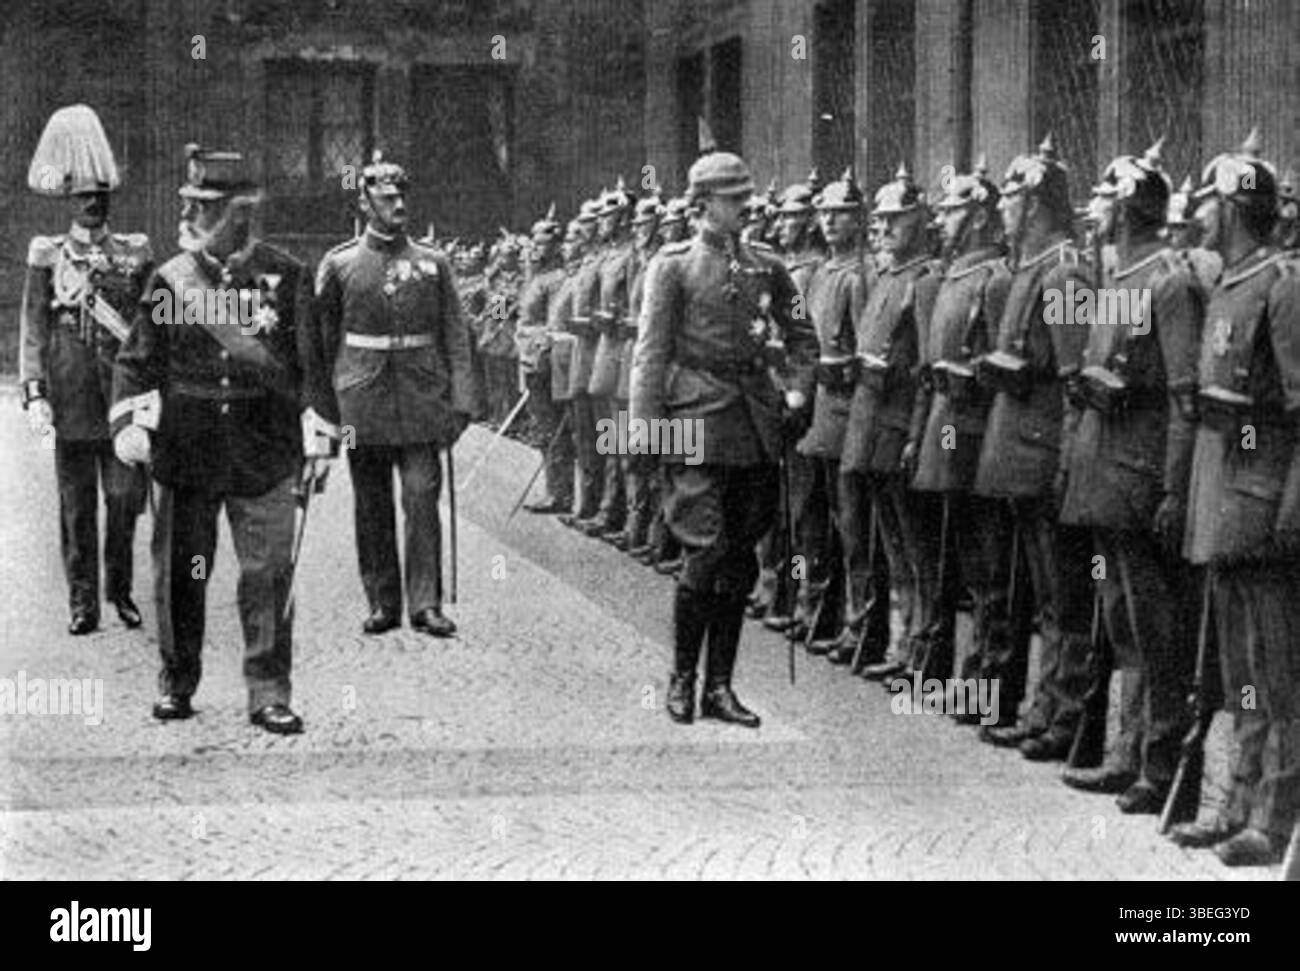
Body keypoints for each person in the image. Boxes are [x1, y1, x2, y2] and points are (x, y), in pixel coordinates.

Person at [112, 144, 316, 733]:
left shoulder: (287, 276)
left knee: (268, 573)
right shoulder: (170, 281)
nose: (188, 215)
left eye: (201, 206)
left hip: (264, 449)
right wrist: (130, 422)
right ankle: (177, 681)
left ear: (238, 213)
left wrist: (320, 431)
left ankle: (269, 691)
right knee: (186, 571)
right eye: (189, 203)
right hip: (188, 450)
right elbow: (138, 361)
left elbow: (309, 366)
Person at [633, 151, 817, 728]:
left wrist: (797, 393)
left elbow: (803, 336)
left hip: (754, 425)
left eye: (746, 197)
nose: (746, 207)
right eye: (734, 199)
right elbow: (650, 353)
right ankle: (682, 678)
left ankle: (720, 686)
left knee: (739, 557)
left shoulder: (769, 267)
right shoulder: (673, 266)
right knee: (704, 552)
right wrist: (645, 430)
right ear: (704, 204)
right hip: (694, 420)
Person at [1167, 131, 1300, 866]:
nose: (1198, 215)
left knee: (1279, 677)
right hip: (1225, 500)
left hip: (1265, 503)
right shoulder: (1228, 282)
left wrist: (1291, 509)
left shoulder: (1283, 286)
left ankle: (1274, 821)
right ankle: (1237, 802)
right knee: (1242, 674)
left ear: (1235, 208)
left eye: (1209, 202)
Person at [1056, 140, 1200, 811]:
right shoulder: (1118, 280)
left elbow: (1183, 396)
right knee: (1119, 620)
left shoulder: (1168, 282)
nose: (1096, 212)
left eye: (1105, 201)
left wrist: (1173, 487)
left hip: (1140, 476)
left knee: (1155, 626)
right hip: (1103, 473)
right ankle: (1127, 749)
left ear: (1127, 210)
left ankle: (1161, 762)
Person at [307, 152, 476, 638]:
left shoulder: (433, 263)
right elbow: (322, 343)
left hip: (423, 398)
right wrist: (324, 411)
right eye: (386, 198)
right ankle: (383, 601)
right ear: (365, 204)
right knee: (371, 503)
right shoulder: (340, 264)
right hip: (362, 400)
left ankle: (426, 603)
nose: (398, 205)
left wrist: (461, 400)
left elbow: (455, 334)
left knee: (422, 498)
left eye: (402, 196)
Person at [974, 135, 1095, 759]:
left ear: (1037, 204)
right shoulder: (1029, 267)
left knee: (1066, 597)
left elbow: (1076, 381)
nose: (1002, 206)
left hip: (1047, 452)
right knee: (1045, 595)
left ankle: (1066, 716)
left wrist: (1068, 464)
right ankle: (1044, 707)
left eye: (1012, 197)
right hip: (1019, 449)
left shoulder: (1066, 271)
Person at [20, 104, 152, 635]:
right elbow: (33, 327)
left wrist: (152, 394)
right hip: (71, 397)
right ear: (69, 201)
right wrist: (35, 391)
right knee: (76, 508)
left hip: (120, 400)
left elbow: (148, 329)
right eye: (83, 197)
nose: (93, 204)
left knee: (123, 500)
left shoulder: (133, 254)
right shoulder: (48, 256)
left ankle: (119, 591)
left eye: (100, 197)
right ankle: (83, 603)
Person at [910, 158, 1018, 705]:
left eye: (952, 211)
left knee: (991, 569)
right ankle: (957, 670)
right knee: (960, 560)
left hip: (977, 434)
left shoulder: (996, 279)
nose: (942, 219)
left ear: (977, 217)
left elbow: (1006, 362)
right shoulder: (948, 277)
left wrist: (972, 374)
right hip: (945, 430)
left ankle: (988, 682)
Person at [841, 164, 940, 683]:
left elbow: (927, 369)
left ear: (919, 220)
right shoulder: (884, 277)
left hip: (900, 422)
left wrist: (917, 434)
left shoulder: (925, 282)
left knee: (917, 544)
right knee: (892, 541)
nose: (883, 228)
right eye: (879, 220)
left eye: (894, 219)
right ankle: (903, 640)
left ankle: (923, 645)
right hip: (870, 422)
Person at [792, 170, 870, 661]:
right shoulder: (821, 273)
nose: (829, 221)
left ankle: (857, 624)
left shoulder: (858, 276)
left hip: (846, 413)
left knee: (853, 528)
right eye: (824, 213)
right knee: (812, 519)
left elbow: (867, 351)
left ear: (857, 220)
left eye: (839, 214)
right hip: (818, 412)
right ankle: (815, 608)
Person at [515, 206, 574, 514]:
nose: (535, 249)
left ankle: (559, 491)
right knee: (542, 426)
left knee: (551, 428)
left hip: (543, 359)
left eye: (542, 244)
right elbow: (511, 312)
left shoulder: (557, 280)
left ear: (555, 246)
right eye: (533, 243)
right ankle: (554, 488)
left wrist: (532, 341)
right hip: (522, 353)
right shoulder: (533, 278)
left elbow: (554, 325)